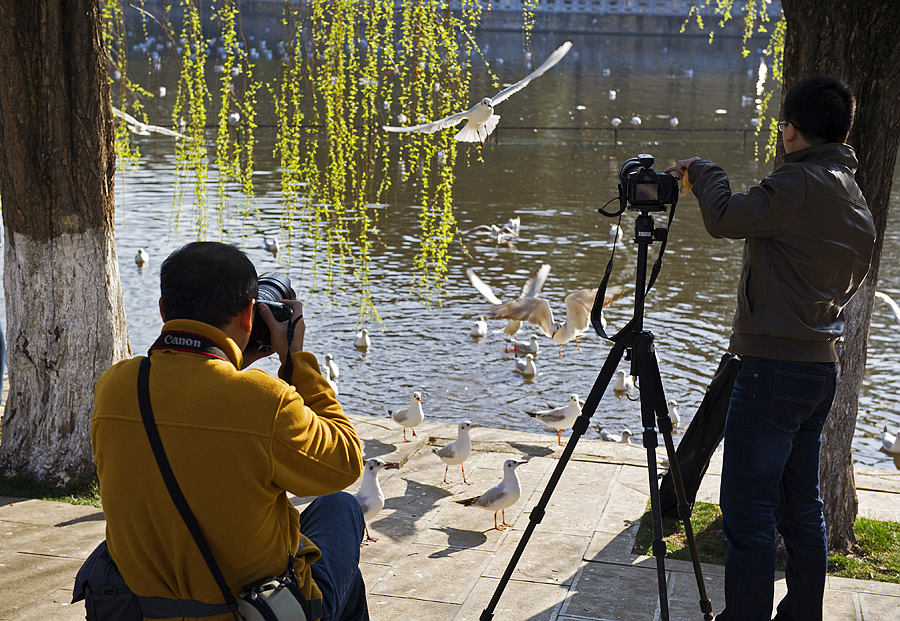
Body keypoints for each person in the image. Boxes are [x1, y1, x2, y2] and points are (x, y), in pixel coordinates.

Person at [666, 76, 876, 621]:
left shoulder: (799, 184)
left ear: (791, 130)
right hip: (817, 371)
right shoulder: (855, 196)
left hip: (770, 371)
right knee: (802, 509)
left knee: (748, 513)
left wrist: (703, 169)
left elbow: (725, 217)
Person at [90, 241, 368, 620]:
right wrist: (296, 361)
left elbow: (195, 416)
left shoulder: (115, 387)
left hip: (144, 609)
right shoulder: (266, 401)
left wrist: (232, 362)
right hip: (249, 612)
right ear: (249, 315)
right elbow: (346, 463)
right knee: (342, 508)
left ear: (162, 310)